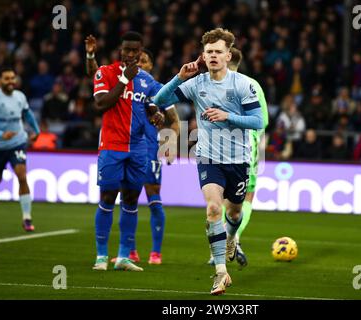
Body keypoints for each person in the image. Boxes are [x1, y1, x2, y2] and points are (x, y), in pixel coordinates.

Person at [154, 28, 263, 295]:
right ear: (204, 55)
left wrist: (228, 116)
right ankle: (220, 273)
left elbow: (258, 121)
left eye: (218, 52)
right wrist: (179, 77)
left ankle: (231, 237)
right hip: (208, 157)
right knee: (214, 208)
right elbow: (159, 100)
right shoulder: (196, 82)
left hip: (238, 160)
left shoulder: (243, 84)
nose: (213, 55)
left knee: (234, 212)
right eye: (209, 52)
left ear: (228, 55)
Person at [85, 35, 180, 265]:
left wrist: (155, 114)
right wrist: (124, 80)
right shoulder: (106, 73)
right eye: (126, 50)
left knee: (131, 200)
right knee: (108, 197)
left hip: (139, 149)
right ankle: (101, 256)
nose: (130, 55)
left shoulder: (147, 80)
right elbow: (101, 103)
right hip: (111, 146)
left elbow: (153, 105)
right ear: (120, 49)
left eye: (134, 51)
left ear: (140, 53)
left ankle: (125, 257)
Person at [207, 47, 269, 268]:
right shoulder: (251, 84)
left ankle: (219, 249)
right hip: (245, 143)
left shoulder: (210, 82)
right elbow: (262, 123)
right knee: (245, 196)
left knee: (219, 197)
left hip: (214, 143)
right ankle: (234, 239)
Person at [0, 66, 40, 231]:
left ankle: (27, 218)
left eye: (12, 78)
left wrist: (36, 130)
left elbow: (27, 114)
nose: (10, 82)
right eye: (6, 79)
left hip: (18, 142)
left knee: (22, 175)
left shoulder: (20, 96)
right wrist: (0, 134)